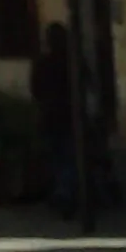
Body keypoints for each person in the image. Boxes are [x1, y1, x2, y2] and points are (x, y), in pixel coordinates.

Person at [31, 22, 78, 216]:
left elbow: (35, 90)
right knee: (69, 156)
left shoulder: (42, 63)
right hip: (69, 115)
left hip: (49, 115)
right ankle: (64, 193)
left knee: (55, 156)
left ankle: (60, 192)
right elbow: (87, 84)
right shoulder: (72, 61)